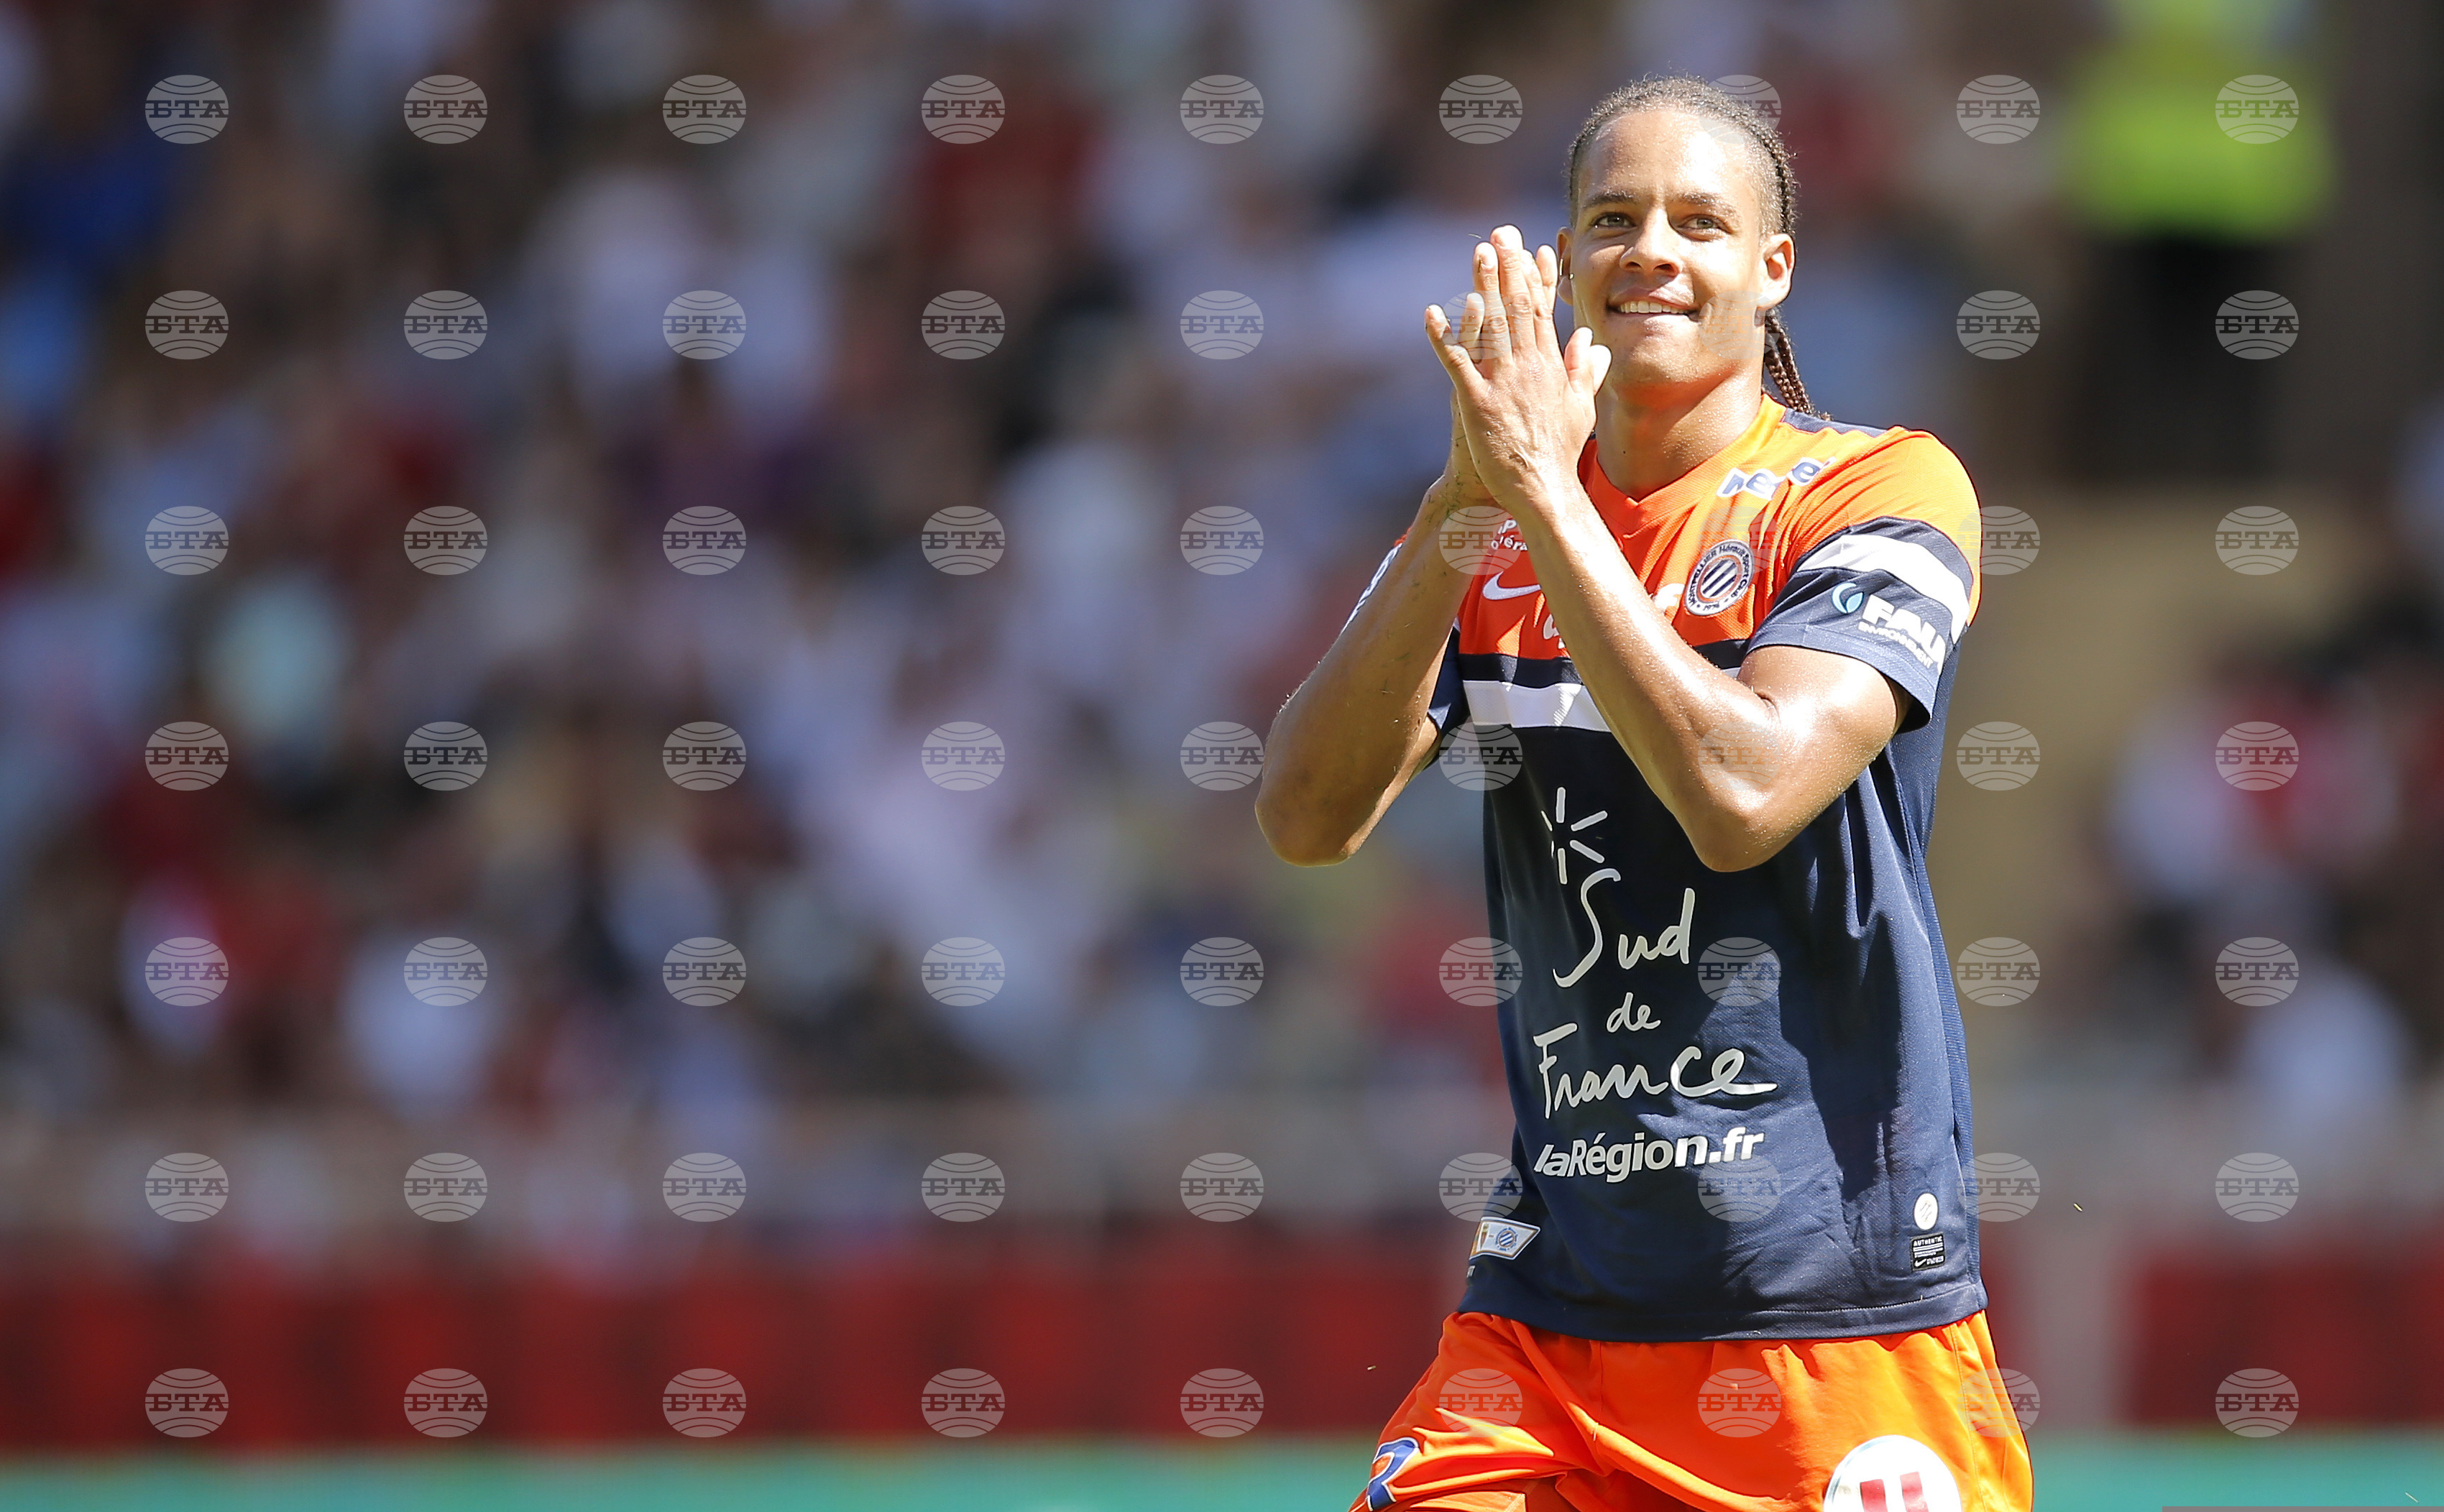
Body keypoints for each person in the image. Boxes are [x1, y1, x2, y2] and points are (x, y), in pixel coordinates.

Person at [1255, 76, 2033, 1512]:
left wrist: (1540, 502)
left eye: (1699, 221)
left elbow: (1743, 795)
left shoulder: (1878, 489)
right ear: (1562, 261)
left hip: (1827, 1306)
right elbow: (1305, 817)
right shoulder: (1495, 525)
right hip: (1551, 1310)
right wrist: (1457, 508)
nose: (1651, 250)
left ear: (1773, 267)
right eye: (1612, 219)